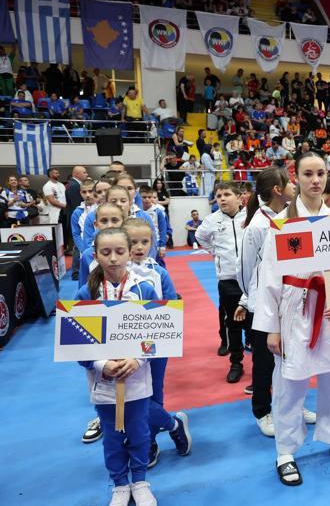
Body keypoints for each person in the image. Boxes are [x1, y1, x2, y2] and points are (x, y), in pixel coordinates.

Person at [254, 152, 330, 486]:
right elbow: (269, 278)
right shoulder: (282, 225)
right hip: (293, 309)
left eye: (321, 173)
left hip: (328, 311)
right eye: (308, 174)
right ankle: (285, 450)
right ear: (295, 178)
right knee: (289, 385)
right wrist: (270, 329)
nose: (316, 180)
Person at [74, 227, 160, 506]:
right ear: (95, 255)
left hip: (137, 377)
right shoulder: (86, 293)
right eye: (106, 252)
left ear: (129, 252)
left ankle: (140, 481)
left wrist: (137, 359)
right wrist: (101, 364)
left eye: (119, 251)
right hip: (103, 380)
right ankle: (120, 484)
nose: (113, 258)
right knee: (112, 437)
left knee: (139, 433)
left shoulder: (143, 288)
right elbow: (75, 342)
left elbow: (158, 334)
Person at [235, 169, 317, 437]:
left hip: (291, 299)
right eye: (290, 182)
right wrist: (253, 299)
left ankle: (293, 404)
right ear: (278, 190)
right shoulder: (258, 225)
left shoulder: (293, 218)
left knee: (294, 356)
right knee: (265, 361)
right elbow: (245, 270)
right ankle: (262, 410)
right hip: (263, 304)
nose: (295, 185)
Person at [123, 218, 192, 468]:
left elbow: (172, 306)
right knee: (132, 397)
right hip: (121, 346)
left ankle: (149, 441)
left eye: (145, 241)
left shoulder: (159, 273)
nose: (139, 247)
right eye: (132, 242)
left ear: (152, 243)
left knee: (153, 394)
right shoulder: (112, 273)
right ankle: (173, 424)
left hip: (154, 345)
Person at [195, 182, 248, 382]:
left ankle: (260, 361)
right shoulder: (211, 220)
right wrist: (215, 252)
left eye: (227, 194)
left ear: (239, 197)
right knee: (232, 323)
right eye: (218, 196)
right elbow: (201, 237)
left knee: (255, 323)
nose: (222, 199)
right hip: (228, 280)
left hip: (251, 279)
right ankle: (236, 362)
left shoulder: (250, 217)